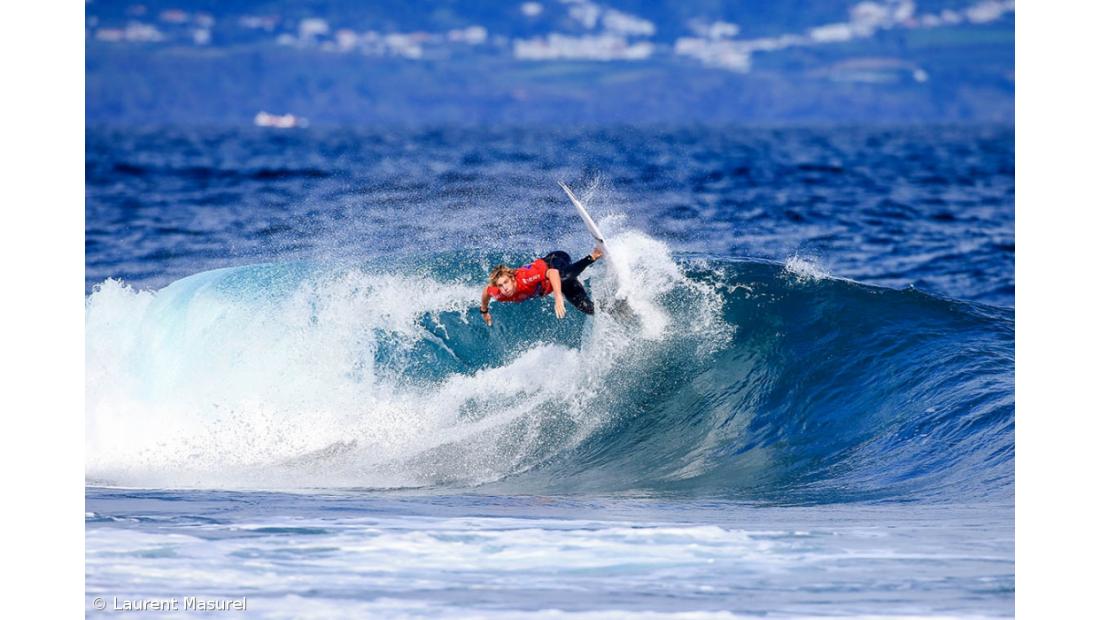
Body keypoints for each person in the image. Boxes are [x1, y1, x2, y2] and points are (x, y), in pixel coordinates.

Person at [479, 246, 603, 326]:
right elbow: (486, 291)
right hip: (557, 281)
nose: (504, 288)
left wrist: (558, 297)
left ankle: (593, 256)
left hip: (557, 259)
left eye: (506, 282)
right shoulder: (499, 293)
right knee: (588, 309)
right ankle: (612, 308)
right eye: (500, 285)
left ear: (512, 279)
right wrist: (484, 312)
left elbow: (553, 272)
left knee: (562, 276)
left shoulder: (525, 278)